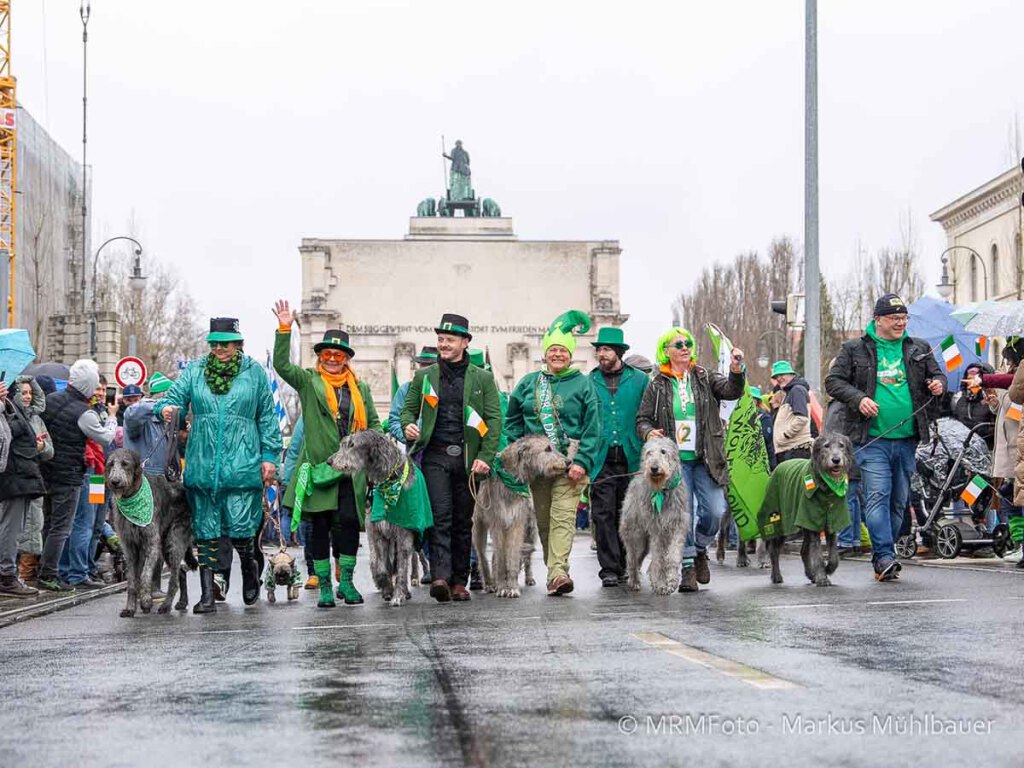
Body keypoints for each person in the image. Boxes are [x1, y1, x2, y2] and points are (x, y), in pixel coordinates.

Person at [159, 318, 282, 613]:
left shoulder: (253, 373)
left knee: (241, 530)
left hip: (243, 464)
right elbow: (173, 397)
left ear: (237, 343)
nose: (218, 348)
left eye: (224, 343)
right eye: (213, 343)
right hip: (203, 465)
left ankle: (250, 567)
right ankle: (207, 596)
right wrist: (165, 408)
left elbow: (267, 418)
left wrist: (269, 457)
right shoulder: (195, 371)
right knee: (206, 531)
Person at [825, 293, 945, 582]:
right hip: (871, 439)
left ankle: (885, 549)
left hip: (908, 439)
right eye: (894, 319)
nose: (900, 323)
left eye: (903, 318)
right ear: (877, 319)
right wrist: (859, 399)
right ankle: (883, 557)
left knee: (899, 502)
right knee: (878, 497)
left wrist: (938, 384)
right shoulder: (854, 349)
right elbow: (833, 382)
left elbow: (938, 375)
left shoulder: (919, 347)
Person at [273, 301, 382, 608]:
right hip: (318, 469)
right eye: (327, 355)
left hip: (350, 472)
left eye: (339, 355)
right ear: (320, 357)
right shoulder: (309, 381)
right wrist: (284, 329)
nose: (333, 360)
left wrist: (368, 449)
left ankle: (345, 583)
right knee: (318, 527)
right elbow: (282, 366)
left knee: (348, 525)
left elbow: (373, 424)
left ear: (346, 359)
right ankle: (323, 586)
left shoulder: (361, 390)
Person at [635, 327, 746, 592]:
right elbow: (642, 419)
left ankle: (699, 550)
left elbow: (731, 391)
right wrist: (649, 431)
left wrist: (736, 369)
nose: (685, 347)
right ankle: (686, 568)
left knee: (715, 511)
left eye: (688, 343)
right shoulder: (657, 384)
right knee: (683, 514)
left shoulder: (704, 376)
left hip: (706, 457)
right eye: (678, 344)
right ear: (667, 351)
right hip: (675, 464)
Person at [401, 314, 501, 603]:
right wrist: (408, 425)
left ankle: (460, 580)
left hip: (469, 459)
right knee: (440, 516)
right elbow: (407, 411)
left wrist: (485, 457)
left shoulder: (483, 378)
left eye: (450, 340)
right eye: (441, 339)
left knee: (462, 520)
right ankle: (441, 577)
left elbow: (494, 421)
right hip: (435, 455)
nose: (443, 344)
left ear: (465, 342)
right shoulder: (424, 376)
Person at [505, 310, 601, 596]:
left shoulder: (583, 384)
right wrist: (520, 452)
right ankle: (555, 570)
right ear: (545, 354)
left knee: (562, 518)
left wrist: (582, 462)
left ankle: (558, 572)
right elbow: (512, 421)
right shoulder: (528, 384)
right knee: (545, 521)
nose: (557, 354)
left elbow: (593, 426)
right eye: (553, 350)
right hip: (537, 467)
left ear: (571, 354)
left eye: (563, 350)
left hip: (570, 462)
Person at [37, 360, 115, 592]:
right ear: (89, 387)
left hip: (50, 471)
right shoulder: (86, 413)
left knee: (55, 524)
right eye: (97, 387)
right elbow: (106, 438)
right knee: (77, 524)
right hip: (79, 475)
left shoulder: (50, 401)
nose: (99, 393)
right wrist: (111, 418)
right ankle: (69, 572)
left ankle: (65, 570)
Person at [588, 327, 648, 587]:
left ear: (619, 353)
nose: (601, 354)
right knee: (602, 514)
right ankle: (609, 568)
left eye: (606, 350)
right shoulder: (588, 381)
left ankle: (628, 562)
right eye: (599, 350)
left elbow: (648, 414)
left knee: (629, 515)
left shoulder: (639, 380)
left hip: (631, 458)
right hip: (601, 459)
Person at [0, 378, 47, 597]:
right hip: (12, 477)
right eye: (23, 392)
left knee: (16, 528)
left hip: (21, 476)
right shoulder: (5, 407)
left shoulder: (11, 406)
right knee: (10, 528)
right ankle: (6, 576)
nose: (28, 396)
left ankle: (10, 574)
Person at [14, 376, 52, 585]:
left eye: (30, 392)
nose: (28, 397)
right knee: (14, 530)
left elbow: (49, 450)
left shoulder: (37, 419)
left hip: (34, 479)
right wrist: (32, 448)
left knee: (33, 527)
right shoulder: (10, 416)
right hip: (15, 481)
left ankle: (25, 577)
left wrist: (41, 448)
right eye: (24, 392)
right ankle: (15, 576)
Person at [123, 373, 182, 476]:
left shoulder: (166, 421)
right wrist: (159, 406)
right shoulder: (140, 416)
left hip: (165, 478)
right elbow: (131, 414)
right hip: (142, 478)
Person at [388, 346, 437, 443]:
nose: (425, 369)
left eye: (430, 365)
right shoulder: (405, 389)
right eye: (423, 364)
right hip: (413, 450)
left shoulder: (446, 389)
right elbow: (394, 420)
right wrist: (407, 435)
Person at [770, 360, 813, 463]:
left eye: (781, 374)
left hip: (795, 449)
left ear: (791, 374)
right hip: (790, 449)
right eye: (776, 376)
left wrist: (785, 435)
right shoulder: (789, 392)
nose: (779, 379)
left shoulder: (797, 390)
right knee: (799, 478)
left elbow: (802, 419)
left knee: (802, 478)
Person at [948, 362, 996, 449]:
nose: (971, 381)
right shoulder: (959, 399)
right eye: (968, 377)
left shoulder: (994, 400)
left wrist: (973, 427)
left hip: (989, 449)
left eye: (975, 376)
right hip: (963, 451)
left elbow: (999, 429)